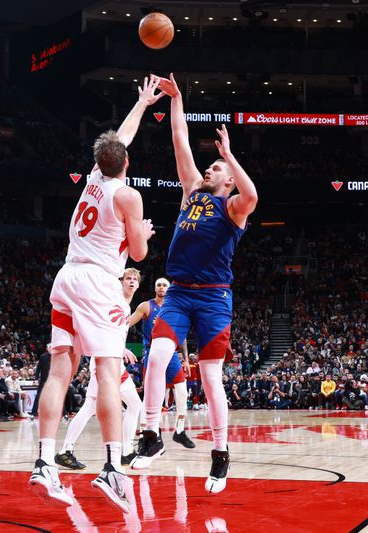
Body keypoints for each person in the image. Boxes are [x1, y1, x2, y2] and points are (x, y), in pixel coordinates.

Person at [29, 76, 161, 513]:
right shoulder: (129, 195)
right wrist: (139, 232)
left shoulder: (93, 179)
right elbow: (137, 256)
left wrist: (141, 104)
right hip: (97, 283)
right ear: (127, 163)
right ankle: (111, 469)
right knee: (107, 373)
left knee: (59, 373)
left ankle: (45, 461)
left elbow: (118, 141)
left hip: (65, 277)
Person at [131, 73, 257, 498]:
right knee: (156, 358)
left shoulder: (235, 206)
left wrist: (230, 156)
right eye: (212, 164)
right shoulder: (192, 192)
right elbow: (180, 139)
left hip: (215, 299)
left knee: (210, 379)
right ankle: (151, 434)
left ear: (229, 181)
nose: (209, 167)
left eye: (216, 168)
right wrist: (179, 98)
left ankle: (221, 453)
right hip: (181, 294)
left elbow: (254, 194)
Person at [54, 268, 144, 470]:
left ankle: (126, 451)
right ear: (121, 282)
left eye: (134, 279)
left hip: (113, 360)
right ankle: (65, 451)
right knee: (91, 407)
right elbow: (100, 329)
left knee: (134, 405)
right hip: (104, 359)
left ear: (138, 284)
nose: (131, 281)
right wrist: (121, 349)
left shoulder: (127, 307)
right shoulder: (113, 301)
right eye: (127, 278)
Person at [128, 277, 195, 449]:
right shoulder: (146, 306)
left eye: (165, 285)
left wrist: (186, 359)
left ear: (169, 288)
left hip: (172, 353)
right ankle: (147, 434)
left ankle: (179, 431)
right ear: (155, 288)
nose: (162, 287)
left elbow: (183, 336)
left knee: (182, 391)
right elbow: (126, 323)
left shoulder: (175, 308)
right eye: (159, 285)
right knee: (151, 394)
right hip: (152, 351)